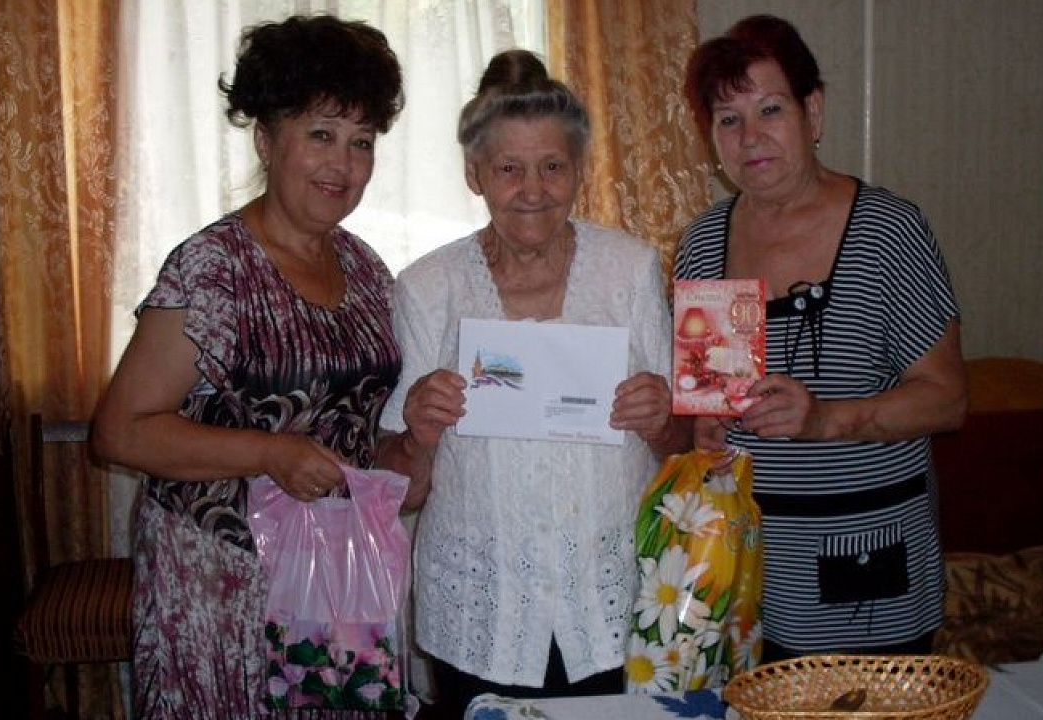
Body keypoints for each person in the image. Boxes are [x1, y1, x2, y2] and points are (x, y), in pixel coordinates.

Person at [90, 15, 409, 719]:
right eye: (320, 134)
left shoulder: (365, 268)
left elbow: (363, 430)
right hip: (224, 590)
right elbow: (119, 432)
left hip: (333, 581)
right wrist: (270, 452)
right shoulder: (212, 268)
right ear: (266, 139)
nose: (343, 164)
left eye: (361, 142)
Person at [374, 50, 689, 716]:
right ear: (475, 174)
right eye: (508, 169)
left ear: (579, 170)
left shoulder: (630, 270)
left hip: (611, 602)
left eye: (552, 166)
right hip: (480, 606)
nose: (533, 190)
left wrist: (662, 418)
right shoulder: (428, 287)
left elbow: (683, 450)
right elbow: (402, 489)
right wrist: (419, 433)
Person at [676, 15, 968, 661]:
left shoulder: (887, 231)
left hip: (866, 564)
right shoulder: (703, 243)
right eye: (728, 119)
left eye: (770, 110)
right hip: (741, 566)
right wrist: (706, 427)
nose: (751, 137)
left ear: (813, 111)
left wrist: (824, 419)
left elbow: (947, 400)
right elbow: (711, 402)